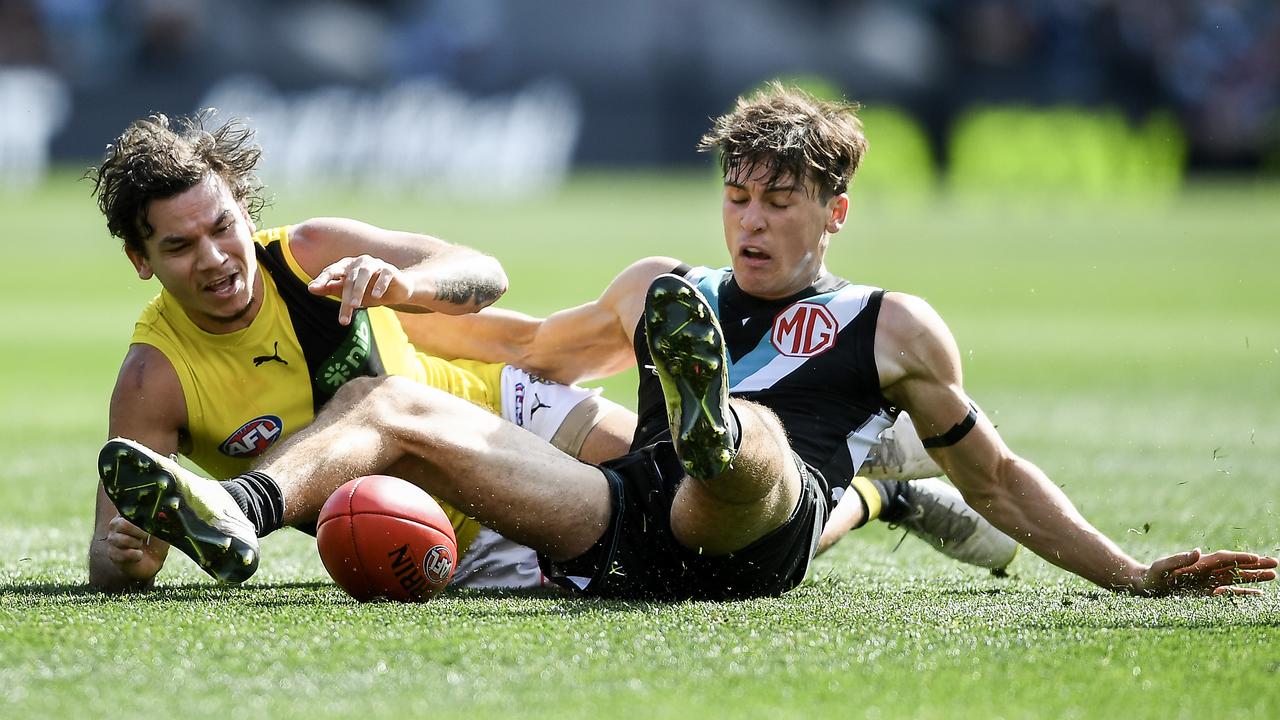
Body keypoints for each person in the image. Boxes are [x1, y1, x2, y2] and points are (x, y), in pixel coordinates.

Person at [100, 83, 1275, 599]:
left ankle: (735, 431)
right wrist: (435, 332)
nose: (753, 220)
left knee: (747, 449)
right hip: (622, 533)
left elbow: (1001, 475)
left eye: (779, 202)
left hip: (749, 534)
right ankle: (240, 515)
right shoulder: (662, 287)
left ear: (833, 214)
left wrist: (1125, 571)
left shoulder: (893, 326)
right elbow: (534, 352)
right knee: (388, 412)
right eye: (738, 198)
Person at [85, 113, 635, 592]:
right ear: (141, 259)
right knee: (652, 565)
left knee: (687, 492)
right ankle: (235, 507)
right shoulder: (154, 379)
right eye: (179, 246)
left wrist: (406, 287)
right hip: (445, 545)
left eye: (222, 228)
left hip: (512, 415)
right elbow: (110, 563)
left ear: (246, 213)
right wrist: (130, 554)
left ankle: (240, 505)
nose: (213, 259)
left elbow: (486, 274)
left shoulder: (308, 254)